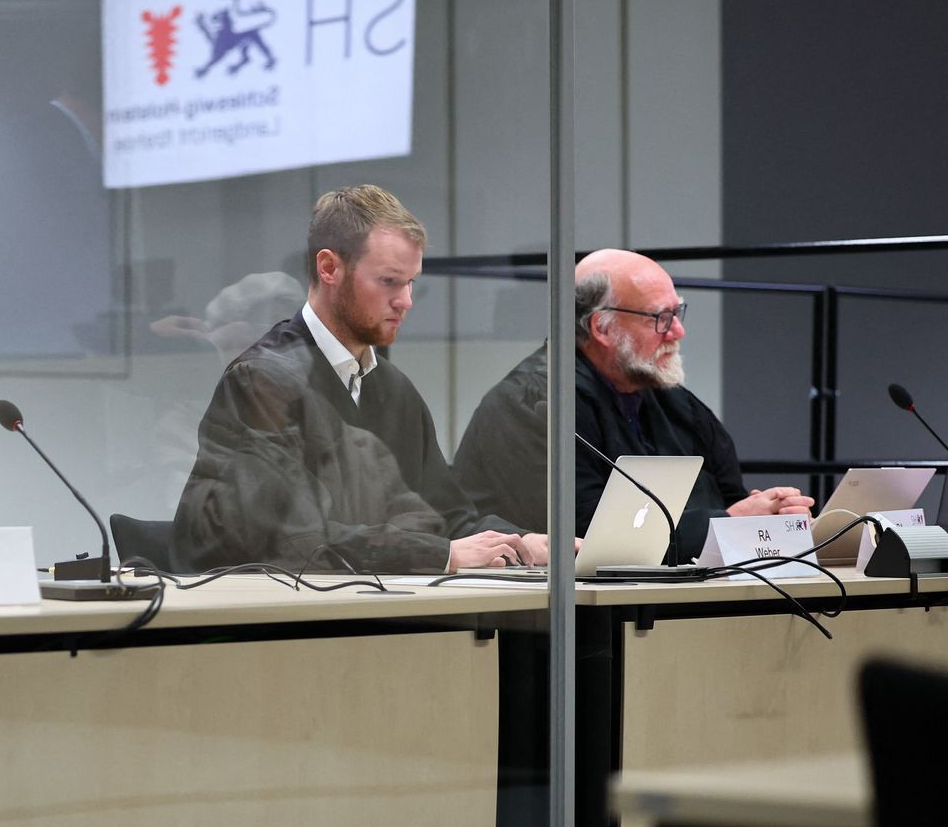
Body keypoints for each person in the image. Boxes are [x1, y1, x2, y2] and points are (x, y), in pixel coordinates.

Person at [172, 185, 545, 574]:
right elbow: (288, 538)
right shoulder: (262, 382)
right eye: (389, 281)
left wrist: (519, 541)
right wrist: (440, 555)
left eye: (411, 282)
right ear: (329, 268)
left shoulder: (395, 389)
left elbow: (446, 518)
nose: (406, 301)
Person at [454, 249, 811, 560]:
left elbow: (728, 494)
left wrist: (770, 514)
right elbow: (591, 534)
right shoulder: (533, 406)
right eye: (660, 318)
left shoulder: (669, 398)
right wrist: (730, 524)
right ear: (602, 328)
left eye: (677, 313)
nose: (677, 332)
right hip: (570, 622)